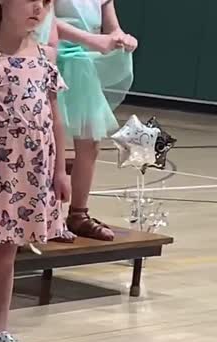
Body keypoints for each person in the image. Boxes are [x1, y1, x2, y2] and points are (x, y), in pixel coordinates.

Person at [0, 1, 71, 342]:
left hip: (33, 169)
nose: (37, 8)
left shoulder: (45, 55)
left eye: (44, 2)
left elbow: (55, 117)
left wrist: (60, 170)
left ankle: (0, 328)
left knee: (9, 250)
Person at [55, 0, 137, 241]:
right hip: (52, 57)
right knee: (48, 140)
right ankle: (44, 214)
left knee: (90, 142)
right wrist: (91, 40)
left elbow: (113, 28)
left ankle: (78, 214)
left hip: (82, 63)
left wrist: (123, 38)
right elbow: (43, 20)